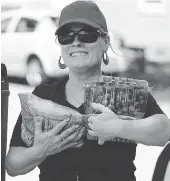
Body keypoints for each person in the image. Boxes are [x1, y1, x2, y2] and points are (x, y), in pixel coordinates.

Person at [6, 1, 170, 181]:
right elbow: (12, 165)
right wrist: (39, 151)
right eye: (66, 36)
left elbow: (164, 132)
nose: (76, 42)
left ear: (106, 42)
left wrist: (119, 127)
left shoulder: (124, 93)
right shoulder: (43, 96)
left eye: (87, 34)